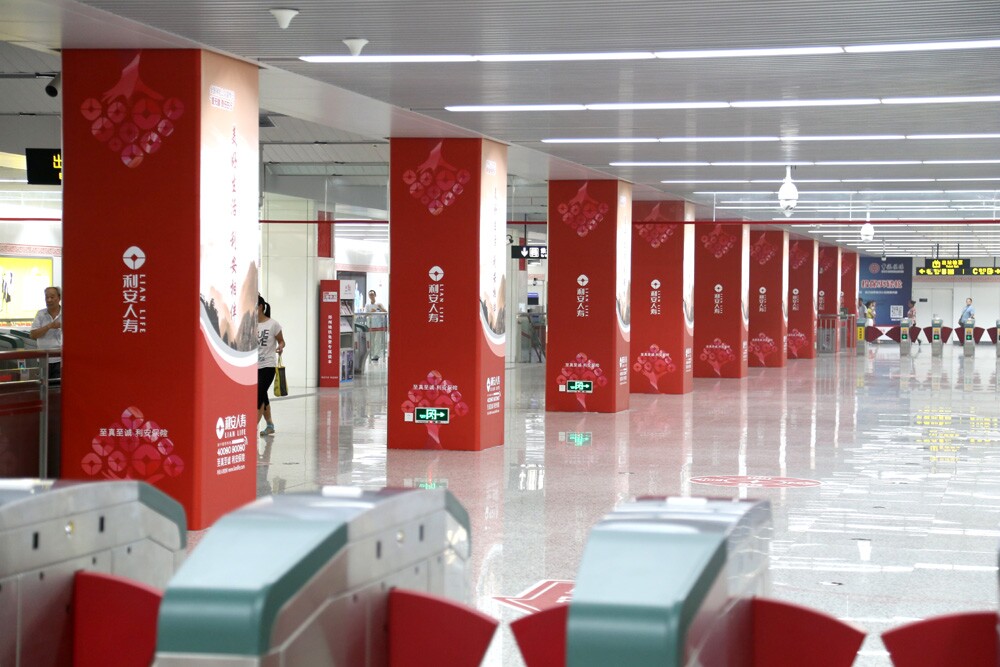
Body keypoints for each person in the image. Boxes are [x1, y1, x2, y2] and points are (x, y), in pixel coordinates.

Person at [257, 296, 285, 436]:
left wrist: (280, 347)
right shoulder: (249, 324)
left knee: (258, 395)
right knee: (263, 395)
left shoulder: (273, 324)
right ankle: (270, 425)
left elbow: (281, 341)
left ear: (260, 306)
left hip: (268, 366)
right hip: (252, 367)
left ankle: (251, 427)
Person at [30, 286, 62, 379]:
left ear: (59, 298)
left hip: (61, 358)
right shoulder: (40, 314)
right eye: (46, 297)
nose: (49, 300)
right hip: (44, 358)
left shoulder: (67, 313)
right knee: (43, 385)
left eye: (52, 297)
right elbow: (33, 335)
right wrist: (49, 326)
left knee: (58, 385)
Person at [364, 289, 387, 362]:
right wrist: (371, 312)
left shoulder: (379, 304)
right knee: (372, 341)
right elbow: (365, 314)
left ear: (375, 295)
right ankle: (372, 354)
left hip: (379, 325)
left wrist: (380, 308)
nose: (371, 296)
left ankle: (376, 355)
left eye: (372, 294)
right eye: (370, 295)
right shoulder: (367, 305)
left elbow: (385, 312)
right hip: (371, 325)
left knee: (377, 340)